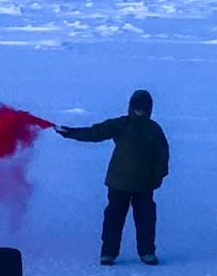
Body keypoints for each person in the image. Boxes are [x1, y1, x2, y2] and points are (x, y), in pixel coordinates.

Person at [56, 90, 170, 265]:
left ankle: (147, 252)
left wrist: (158, 176)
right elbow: (95, 133)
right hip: (118, 182)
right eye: (137, 108)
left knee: (146, 220)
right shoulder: (121, 124)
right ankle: (108, 253)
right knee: (113, 219)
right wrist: (70, 132)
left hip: (144, 184)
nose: (140, 111)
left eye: (144, 109)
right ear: (131, 107)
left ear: (149, 109)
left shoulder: (154, 129)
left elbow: (162, 155)